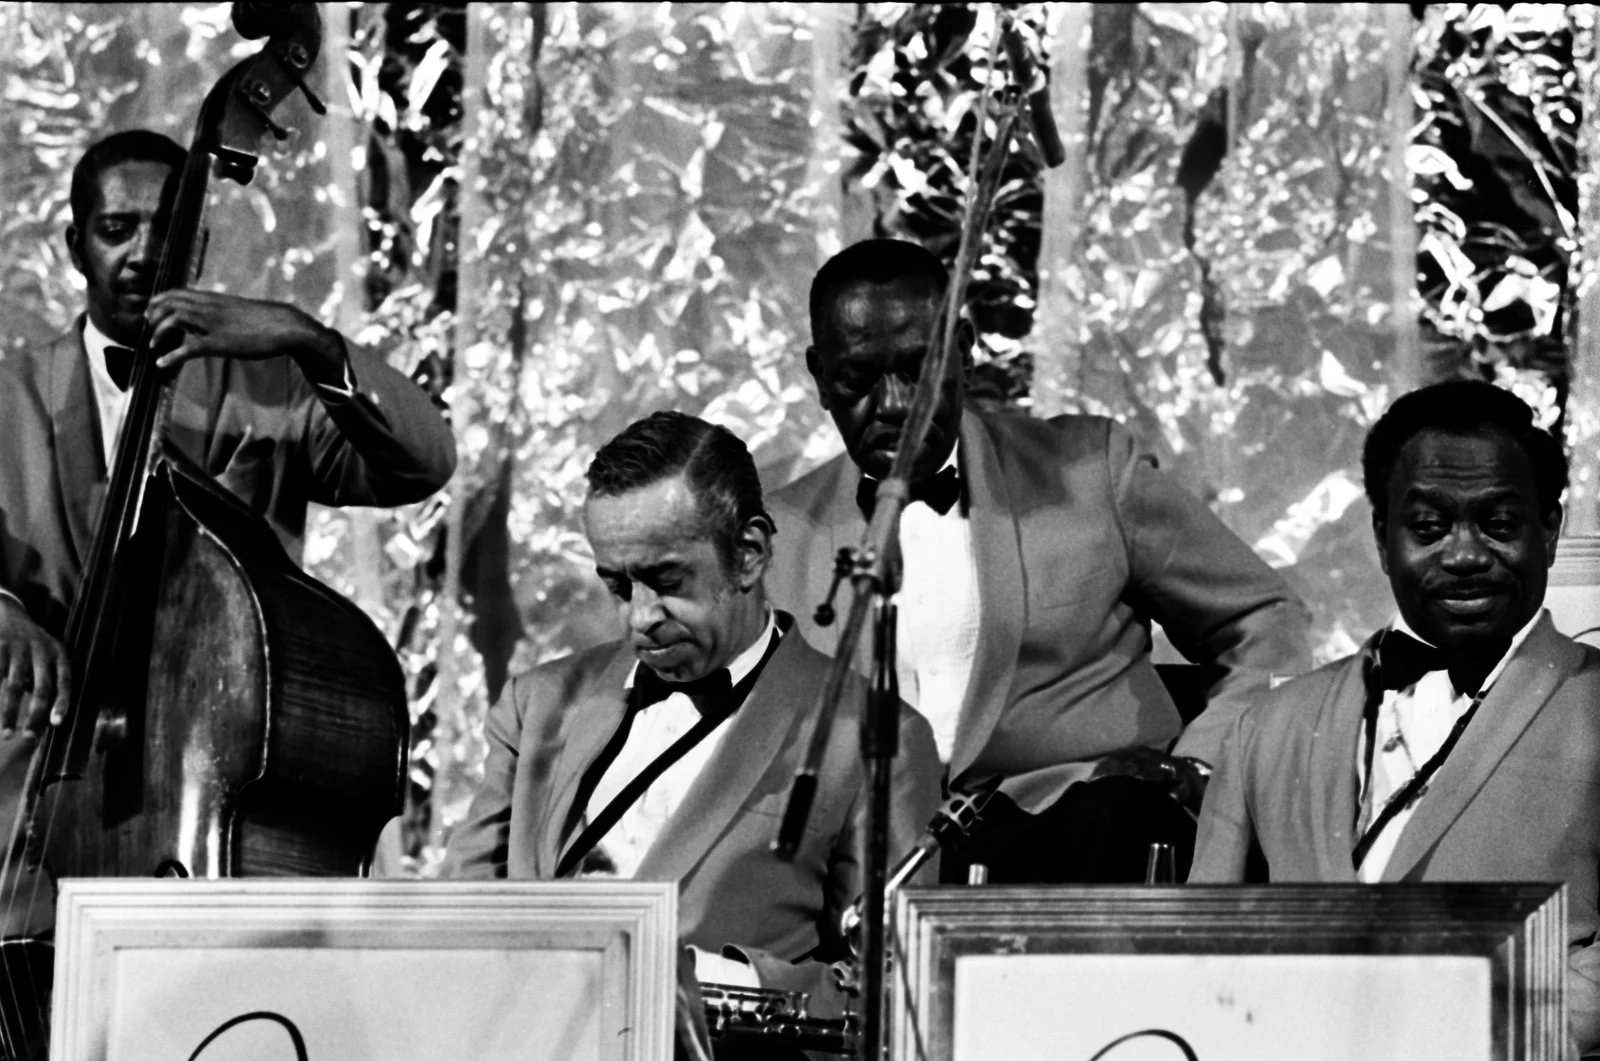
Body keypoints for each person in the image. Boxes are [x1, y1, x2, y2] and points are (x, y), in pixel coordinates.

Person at [763, 238, 1312, 883]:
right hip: (869, 863)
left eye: (919, 370)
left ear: (964, 350)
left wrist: (1202, 766)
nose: (894, 405)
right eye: (858, 379)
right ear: (819, 376)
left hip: (1082, 833)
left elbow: (1264, 618)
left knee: (1120, 823)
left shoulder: (1090, 472)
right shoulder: (776, 536)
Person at [443, 411, 941, 1032]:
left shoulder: (878, 738)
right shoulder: (535, 703)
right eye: (618, 586)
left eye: (667, 580)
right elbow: (454, 929)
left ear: (749, 554)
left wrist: (726, 985)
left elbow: (896, 991)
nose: (640, 618)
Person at [0, 129, 456, 739]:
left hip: (217, 751)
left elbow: (422, 463)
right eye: (116, 230)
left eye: (168, 230)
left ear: (199, 246)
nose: (144, 253)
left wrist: (314, 342)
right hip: (38, 760)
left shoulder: (273, 386)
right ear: (76, 249)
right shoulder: (8, 394)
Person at [1190, 379, 1600, 1052]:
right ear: (1383, 537)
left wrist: (1502, 1033)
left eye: (1498, 524)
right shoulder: (1266, 727)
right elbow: (1203, 956)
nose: (1464, 555)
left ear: (1549, 531)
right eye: (1429, 528)